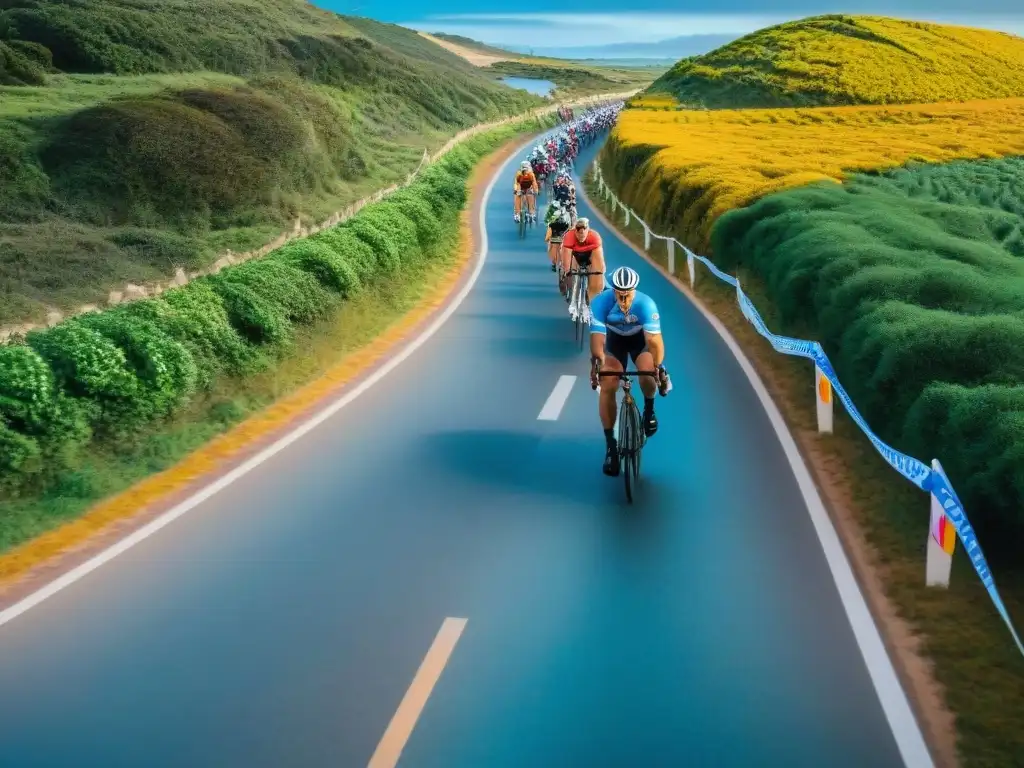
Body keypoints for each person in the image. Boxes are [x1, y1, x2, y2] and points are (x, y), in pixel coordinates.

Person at [588, 266, 670, 476]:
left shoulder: (646, 304)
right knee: (608, 382)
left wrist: (658, 367)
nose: (624, 300)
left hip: (639, 341)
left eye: (628, 295)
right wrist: (598, 363)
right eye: (619, 294)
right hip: (614, 342)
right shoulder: (600, 302)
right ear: (613, 290)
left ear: (634, 290)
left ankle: (649, 410)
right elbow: (598, 340)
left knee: (646, 371)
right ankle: (611, 448)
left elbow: (654, 342)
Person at [560, 217, 604, 303]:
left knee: (598, 274)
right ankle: (571, 293)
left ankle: (591, 298)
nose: (581, 236)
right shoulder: (569, 236)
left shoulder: (595, 237)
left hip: (590, 254)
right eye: (579, 234)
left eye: (583, 234)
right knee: (568, 270)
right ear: (575, 231)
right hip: (575, 255)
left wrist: (599, 272)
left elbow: (599, 259)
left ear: (588, 231)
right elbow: (567, 256)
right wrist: (567, 271)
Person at [544, 202, 571, 272]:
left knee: (552, 249)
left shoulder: (552, 225)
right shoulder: (566, 224)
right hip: (564, 241)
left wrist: (547, 239)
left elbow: (548, 236)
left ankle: (553, 264)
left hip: (554, 241)